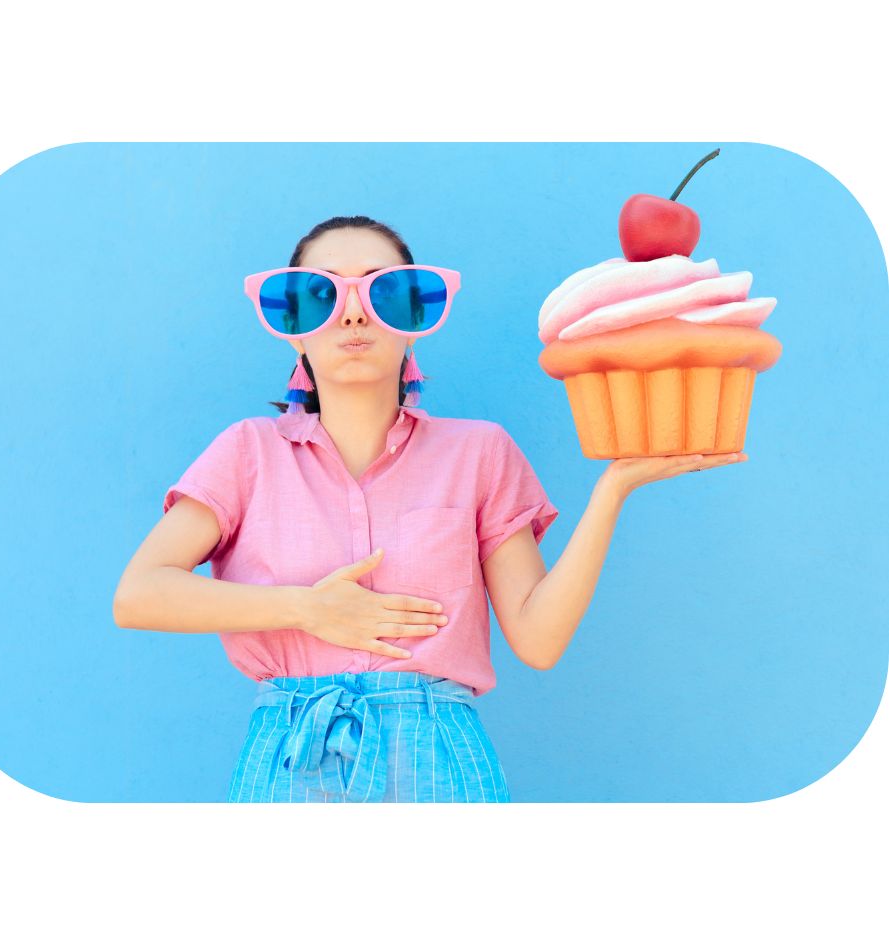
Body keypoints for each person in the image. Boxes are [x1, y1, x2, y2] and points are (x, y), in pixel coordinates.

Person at [112, 214, 747, 803]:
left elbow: (538, 639)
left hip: (440, 761)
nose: (353, 317)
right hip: (289, 756)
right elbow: (138, 594)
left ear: (414, 317)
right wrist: (308, 608)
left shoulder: (480, 452)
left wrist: (613, 489)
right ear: (293, 327)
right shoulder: (246, 452)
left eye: (383, 293)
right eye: (319, 294)